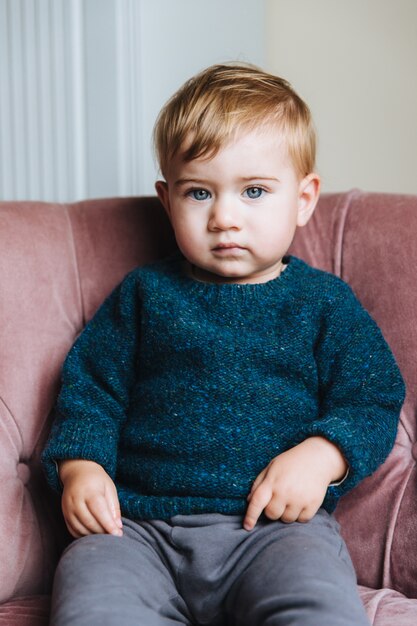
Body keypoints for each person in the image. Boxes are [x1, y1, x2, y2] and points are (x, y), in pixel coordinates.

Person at [42, 63, 405, 626]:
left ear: (305, 198)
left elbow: (373, 395)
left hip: (276, 533)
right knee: (93, 600)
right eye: (199, 193)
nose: (224, 218)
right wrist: (80, 468)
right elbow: (90, 390)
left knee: (318, 607)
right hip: (136, 530)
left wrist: (323, 456)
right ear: (167, 201)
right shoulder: (145, 294)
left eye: (254, 191)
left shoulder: (323, 303)